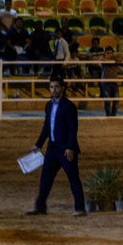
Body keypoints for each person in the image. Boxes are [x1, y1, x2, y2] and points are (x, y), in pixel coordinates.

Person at [27, 77, 85, 216]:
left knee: (73, 178)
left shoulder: (69, 106)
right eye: (52, 87)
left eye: (56, 87)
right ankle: (40, 207)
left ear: (63, 88)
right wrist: (38, 144)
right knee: (45, 177)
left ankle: (80, 208)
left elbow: (73, 129)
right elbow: (46, 127)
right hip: (52, 148)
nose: (54, 90)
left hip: (65, 148)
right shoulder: (48, 105)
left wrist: (70, 147)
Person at [101, 46, 122, 117]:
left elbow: (121, 59)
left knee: (116, 100)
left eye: (110, 53)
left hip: (114, 82)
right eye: (107, 53)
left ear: (112, 53)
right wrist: (110, 59)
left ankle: (113, 115)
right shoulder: (103, 58)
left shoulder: (114, 58)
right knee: (107, 101)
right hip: (106, 82)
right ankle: (108, 116)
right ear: (105, 53)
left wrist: (114, 59)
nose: (109, 54)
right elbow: (103, 60)